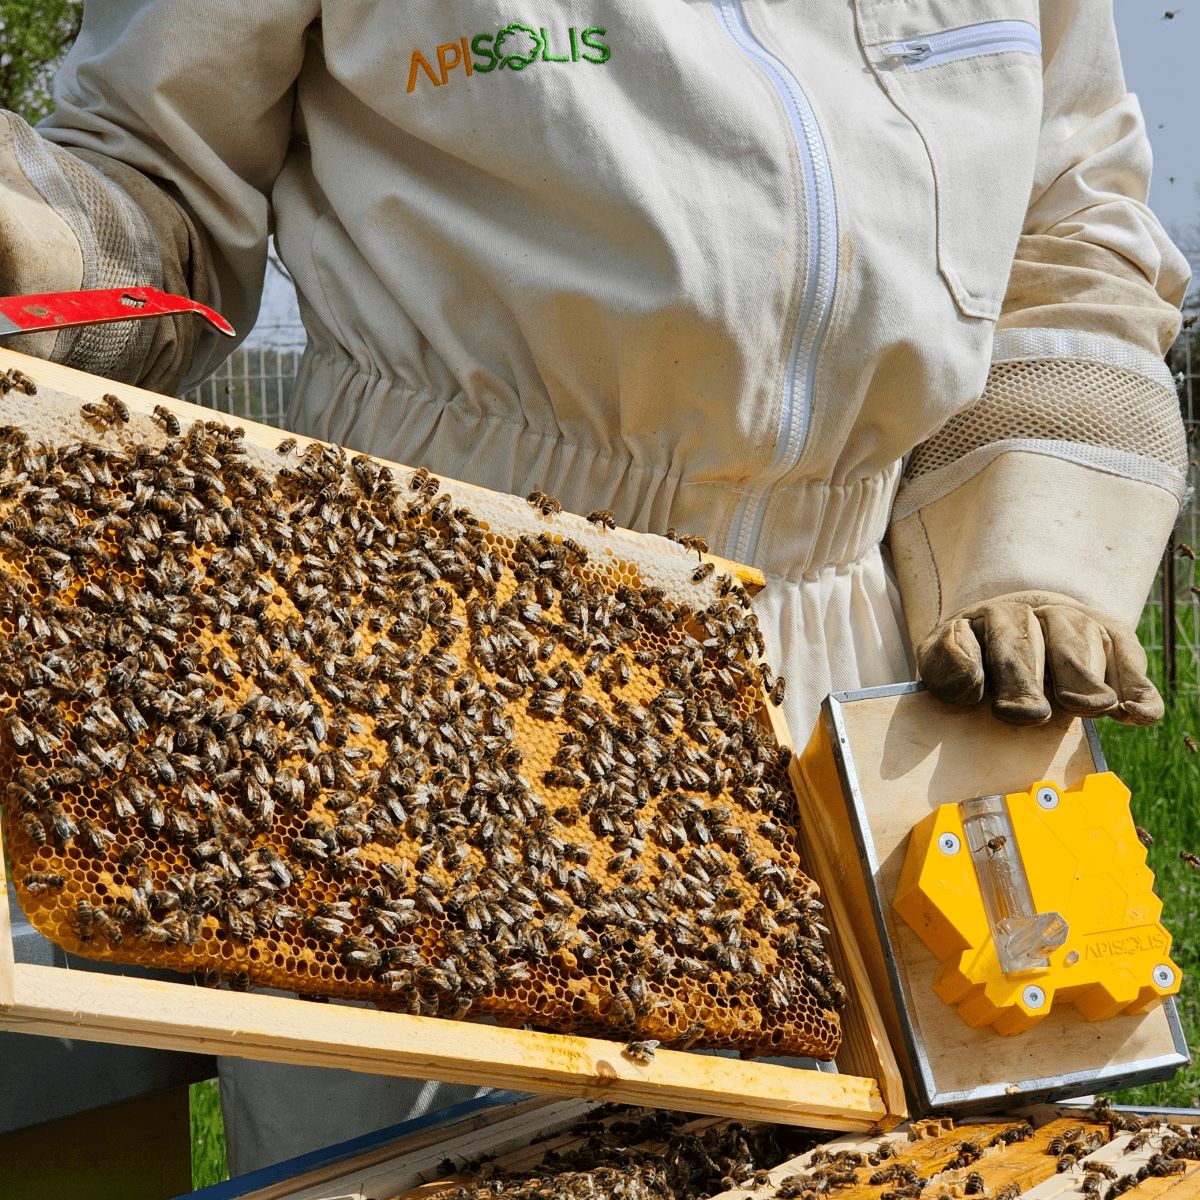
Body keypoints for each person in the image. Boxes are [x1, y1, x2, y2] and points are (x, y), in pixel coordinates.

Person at [0, 0, 1188, 1175]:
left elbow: (1069, 241)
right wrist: (39, 245)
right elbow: (155, 193)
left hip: (879, 689)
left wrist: (1039, 544)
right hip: (420, 662)